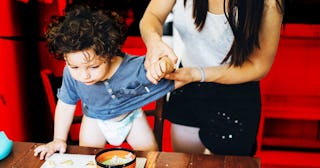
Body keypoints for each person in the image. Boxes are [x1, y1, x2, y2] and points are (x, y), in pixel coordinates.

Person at [139, 0, 284, 156]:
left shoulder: (269, 3)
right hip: (188, 84)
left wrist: (198, 74)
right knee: (185, 162)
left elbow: (259, 66)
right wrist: (154, 42)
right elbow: (152, 16)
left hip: (236, 92)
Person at [34, 4, 175, 160]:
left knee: (150, 156)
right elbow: (66, 105)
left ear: (110, 55)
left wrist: (163, 65)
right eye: (74, 66)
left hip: (130, 118)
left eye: (93, 66)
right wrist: (59, 139)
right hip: (94, 120)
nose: (84, 75)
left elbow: (164, 65)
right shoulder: (71, 73)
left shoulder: (132, 66)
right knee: (86, 158)